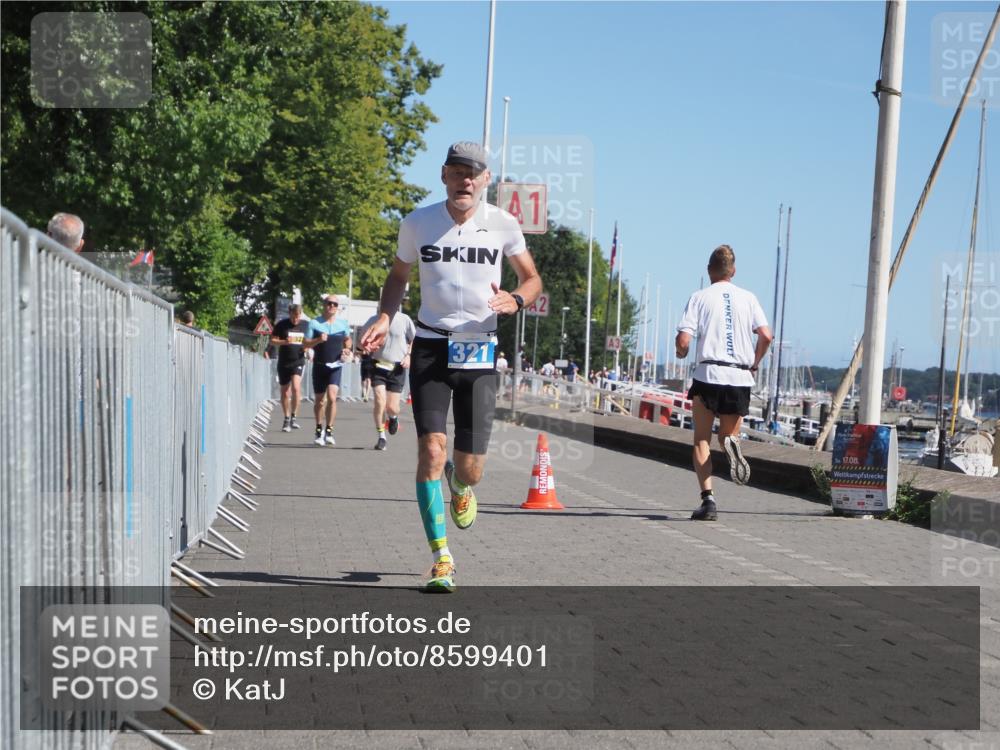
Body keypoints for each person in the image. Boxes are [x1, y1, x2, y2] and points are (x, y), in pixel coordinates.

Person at [360, 141, 542, 592]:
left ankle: (460, 488)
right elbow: (398, 277)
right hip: (430, 348)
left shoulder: (503, 224)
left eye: (473, 174)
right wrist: (386, 316)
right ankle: (441, 558)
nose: (464, 181)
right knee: (432, 451)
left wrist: (515, 299)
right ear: (443, 175)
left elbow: (533, 279)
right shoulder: (418, 222)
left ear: (485, 181)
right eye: (457, 172)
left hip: (479, 353)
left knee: (470, 468)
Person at [675, 244, 772, 521]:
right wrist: (755, 361)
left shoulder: (700, 297)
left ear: (709, 270)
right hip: (739, 376)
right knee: (726, 436)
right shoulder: (748, 298)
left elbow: (684, 340)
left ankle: (708, 501)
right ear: (734, 271)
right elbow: (766, 335)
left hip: (709, 375)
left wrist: (680, 351)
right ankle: (732, 444)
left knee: (701, 440)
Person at [360, 306, 415, 450]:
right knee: (379, 401)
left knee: (392, 407)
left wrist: (409, 356)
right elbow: (362, 339)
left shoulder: (404, 320)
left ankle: (393, 418)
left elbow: (415, 339)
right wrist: (365, 346)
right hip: (378, 365)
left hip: (397, 368)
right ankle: (381, 437)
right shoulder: (374, 320)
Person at [305, 294, 352, 446]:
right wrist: (318, 340)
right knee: (319, 401)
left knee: (332, 397)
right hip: (319, 365)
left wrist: (347, 349)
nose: (332, 306)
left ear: (337, 308)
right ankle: (319, 430)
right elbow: (305, 344)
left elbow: (348, 339)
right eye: (329, 303)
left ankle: (329, 430)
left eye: (335, 304)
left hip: (335, 366)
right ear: (324, 305)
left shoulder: (342, 324)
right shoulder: (314, 323)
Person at [271, 304, 309, 432]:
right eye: (293, 317)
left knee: (296, 388)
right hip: (284, 362)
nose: (295, 320)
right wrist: (284, 342)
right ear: (290, 314)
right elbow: (272, 341)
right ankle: (286, 418)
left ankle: (294, 417)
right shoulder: (282, 324)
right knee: (285, 392)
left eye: (298, 317)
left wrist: (307, 348)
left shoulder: (305, 325)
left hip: (298, 360)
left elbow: (309, 341)